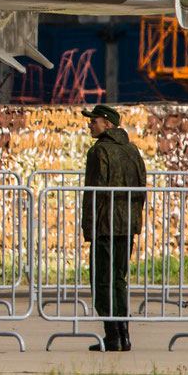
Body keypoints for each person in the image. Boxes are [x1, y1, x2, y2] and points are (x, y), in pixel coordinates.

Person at [80, 103, 146, 353]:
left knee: (102, 279)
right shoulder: (132, 150)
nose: (90, 124)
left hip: (105, 225)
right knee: (119, 278)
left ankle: (112, 336)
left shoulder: (99, 152)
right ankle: (124, 335)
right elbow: (141, 189)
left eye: (94, 120)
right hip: (127, 224)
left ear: (107, 124)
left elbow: (93, 194)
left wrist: (89, 228)